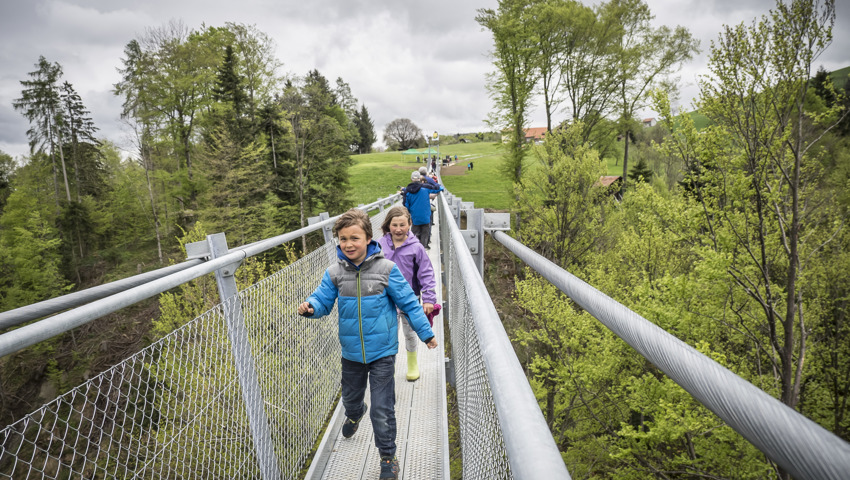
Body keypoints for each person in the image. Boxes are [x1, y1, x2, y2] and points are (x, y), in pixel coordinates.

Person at [298, 209, 437, 480]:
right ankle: (355, 413)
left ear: (369, 238)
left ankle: (388, 457)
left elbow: (409, 302)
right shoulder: (335, 273)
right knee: (351, 400)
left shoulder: (387, 269)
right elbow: (323, 300)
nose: (348, 244)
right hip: (351, 354)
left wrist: (426, 334)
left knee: (382, 409)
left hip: (383, 351)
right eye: (342, 239)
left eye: (355, 238)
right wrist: (311, 307)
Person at [377, 206, 437, 382]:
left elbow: (426, 273)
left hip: (409, 299)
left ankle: (412, 364)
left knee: (410, 332)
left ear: (409, 224)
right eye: (394, 224)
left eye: (402, 224)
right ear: (388, 225)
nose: (398, 229)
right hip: (386, 299)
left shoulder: (416, 248)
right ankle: (390, 366)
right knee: (388, 333)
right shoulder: (380, 245)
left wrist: (428, 299)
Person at [403, 171, 442, 249]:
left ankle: (415, 251)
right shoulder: (425, 187)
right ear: (419, 178)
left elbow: (405, 204)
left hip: (415, 217)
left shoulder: (407, 190)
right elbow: (437, 188)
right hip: (425, 216)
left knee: (415, 235)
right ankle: (422, 250)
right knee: (425, 234)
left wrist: (410, 212)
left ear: (411, 178)